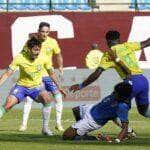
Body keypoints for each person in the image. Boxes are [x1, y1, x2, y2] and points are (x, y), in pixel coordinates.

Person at [71, 30, 150, 118]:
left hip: (130, 83)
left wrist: (82, 85)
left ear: (108, 41)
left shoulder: (109, 53)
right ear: (119, 39)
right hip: (143, 81)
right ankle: (127, 129)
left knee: (111, 106)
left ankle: (81, 111)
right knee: (144, 111)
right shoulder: (128, 46)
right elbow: (147, 42)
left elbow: (97, 73)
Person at [0, 37, 66, 132]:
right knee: (8, 103)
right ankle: (23, 124)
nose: (37, 52)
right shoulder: (19, 57)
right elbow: (7, 74)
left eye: (39, 49)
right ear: (28, 49)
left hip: (36, 87)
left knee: (47, 99)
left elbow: (51, 73)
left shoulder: (43, 58)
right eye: (35, 50)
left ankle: (45, 128)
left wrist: (59, 87)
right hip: (21, 86)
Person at [19, 22, 64, 134]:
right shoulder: (31, 42)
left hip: (48, 74)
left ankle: (58, 124)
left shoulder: (53, 42)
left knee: (58, 96)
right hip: (35, 75)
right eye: (42, 31)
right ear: (38, 31)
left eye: (47, 32)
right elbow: (23, 55)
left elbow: (58, 54)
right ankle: (24, 125)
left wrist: (60, 65)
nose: (44, 34)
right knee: (29, 98)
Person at [63, 82, 132, 143]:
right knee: (76, 109)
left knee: (66, 136)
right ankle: (82, 132)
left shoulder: (122, 106)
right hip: (92, 108)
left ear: (122, 95)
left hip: (93, 120)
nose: (114, 93)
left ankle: (96, 138)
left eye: (116, 92)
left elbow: (124, 127)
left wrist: (117, 140)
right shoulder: (118, 93)